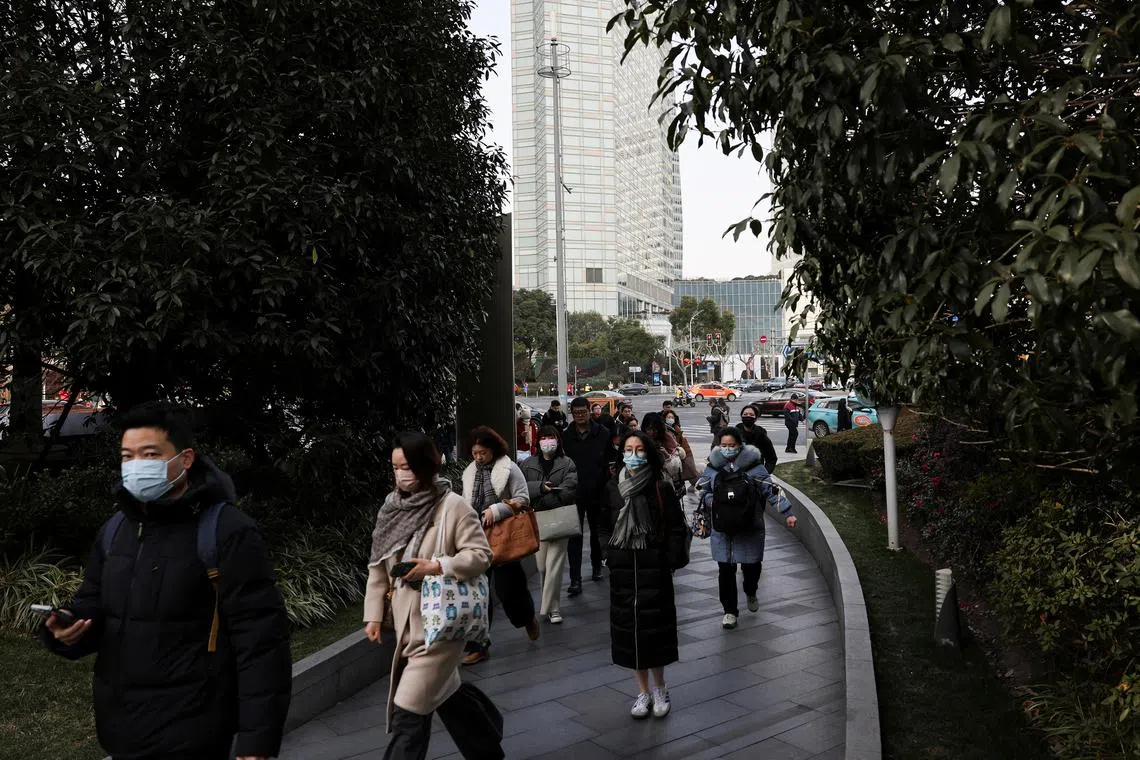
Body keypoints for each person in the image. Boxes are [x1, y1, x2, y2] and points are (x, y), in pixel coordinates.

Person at [40, 403, 292, 760]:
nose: (136, 465)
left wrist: (257, 740)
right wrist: (65, 632)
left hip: (193, 728)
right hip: (121, 728)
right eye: (127, 456)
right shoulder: (115, 531)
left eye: (150, 454)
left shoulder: (226, 531)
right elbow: (93, 604)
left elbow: (262, 642)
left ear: (185, 459)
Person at [364, 432, 504, 760]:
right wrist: (373, 614)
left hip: (441, 626)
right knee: (448, 695)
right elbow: (377, 565)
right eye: (395, 467)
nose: (401, 474)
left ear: (426, 466)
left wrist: (437, 565)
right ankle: (487, 749)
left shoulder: (452, 506)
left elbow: (481, 556)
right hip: (407, 625)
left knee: (408, 712)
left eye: (407, 466)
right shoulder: (390, 507)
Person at [600, 431, 686, 719]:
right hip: (623, 571)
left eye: (639, 449)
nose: (633, 454)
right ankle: (642, 692)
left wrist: (667, 560)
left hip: (654, 570)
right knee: (630, 634)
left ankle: (660, 687)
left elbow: (676, 528)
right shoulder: (613, 487)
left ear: (648, 453)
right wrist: (608, 555)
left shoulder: (661, 487)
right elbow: (601, 524)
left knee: (655, 632)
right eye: (628, 449)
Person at [697, 428, 797, 630]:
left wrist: (788, 513)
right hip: (722, 529)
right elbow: (702, 490)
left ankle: (750, 590)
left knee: (751, 568)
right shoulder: (713, 467)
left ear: (739, 445)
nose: (727, 450)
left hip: (750, 526)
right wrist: (711, 501)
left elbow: (771, 490)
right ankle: (730, 611)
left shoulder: (753, 466)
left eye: (731, 445)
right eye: (723, 446)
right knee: (725, 570)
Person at [461, 427, 539, 665]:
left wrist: (497, 510)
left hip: (504, 538)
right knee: (478, 594)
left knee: (509, 590)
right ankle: (479, 645)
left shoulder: (509, 468)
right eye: (475, 453)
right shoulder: (469, 472)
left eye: (482, 452)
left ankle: (527, 618)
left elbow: (523, 498)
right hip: (476, 538)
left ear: (493, 450)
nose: (478, 457)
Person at [520, 426, 579, 625]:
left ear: (557, 440)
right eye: (544, 437)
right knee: (542, 566)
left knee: (555, 565)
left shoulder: (567, 462)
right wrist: (541, 490)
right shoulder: (528, 464)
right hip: (538, 521)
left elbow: (570, 489)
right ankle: (549, 605)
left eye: (551, 437)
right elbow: (521, 489)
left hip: (560, 519)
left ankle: (552, 608)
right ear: (538, 441)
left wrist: (546, 498)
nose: (548, 441)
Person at [562, 397, 611, 597]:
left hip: (597, 490)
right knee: (575, 536)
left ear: (590, 411)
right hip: (574, 493)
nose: (580, 415)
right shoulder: (565, 436)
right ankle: (575, 579)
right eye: (576, 412)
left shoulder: (603, 433)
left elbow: (609, 462)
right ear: (572, 413)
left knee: (596, 532)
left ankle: (596, 565)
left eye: (583, 411)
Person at [641, 412, 684, 498]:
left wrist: (666, 455)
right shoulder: (641, 439)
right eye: (649, 429)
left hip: (665, 483)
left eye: (655, 429)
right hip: (645, 482)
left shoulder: (667, 438)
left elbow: (676, 468)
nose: (652, 433)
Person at [736, 405, 778, 473]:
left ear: (755, 418)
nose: (748, 416)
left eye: (751, 414)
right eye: (745, 414)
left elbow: (771, 459)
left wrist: (764, 473)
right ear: (741, 417)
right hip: (737, 477)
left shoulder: (762, 436)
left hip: (756, 477)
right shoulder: (733, 435)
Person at [662, 410, 699, 488]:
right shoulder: (664, 429)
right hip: (675, 454)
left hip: (683, 451)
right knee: (681, 472)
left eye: (672, 417)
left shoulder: (675, 427)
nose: (670, 419)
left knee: (690, 470)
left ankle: (697, 485)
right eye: (668, 417)